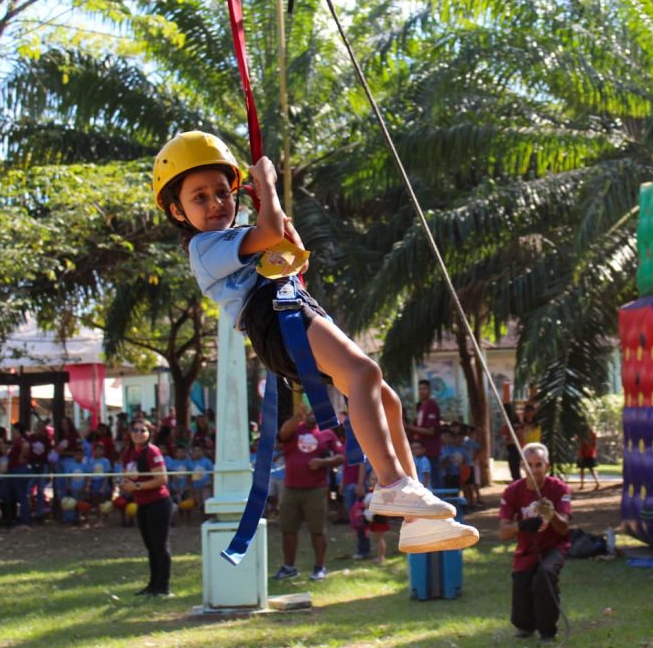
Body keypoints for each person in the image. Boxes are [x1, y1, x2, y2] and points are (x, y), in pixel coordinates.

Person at [152, 132, 476, 553]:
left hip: (290, 306)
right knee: (364, 373)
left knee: (387, 399)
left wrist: (273, 211)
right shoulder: (205, 246)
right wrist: (267, 183)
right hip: (274, 316)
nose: (215, 203)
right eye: (199, 197)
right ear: (178, 210)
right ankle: (392, 482)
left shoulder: (238, 236)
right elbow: (270, 231)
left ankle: (414, 518)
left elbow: (291, 249)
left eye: (221, 191)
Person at [498, 442, 571, 642]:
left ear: (546, 465)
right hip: (527, 549)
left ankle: (547, 631)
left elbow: (564, 528)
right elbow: (503, 532)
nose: (534, 470)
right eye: (529, 465)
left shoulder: (559, 488)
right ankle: (525, 626)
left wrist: (552, 513)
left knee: (544, 577)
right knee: (522, 592)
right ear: (522, 466)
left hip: (554, 547)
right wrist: (521, 526)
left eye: (538, 464)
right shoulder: (512, 491)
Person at [273, 404, 345, 582]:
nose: (313, 415)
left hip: (316, 489)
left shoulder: (327, 433)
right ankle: (289, 567)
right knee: (288, 529)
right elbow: (282, 435)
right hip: (291, 488)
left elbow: (341, 457)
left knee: (318, 529)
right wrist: (297, 417)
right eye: (310, 412)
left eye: (316, 412)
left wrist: (323, 462)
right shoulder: (295, 429)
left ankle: (320, 567)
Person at [120, 419, 173, 597]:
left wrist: (138, 487)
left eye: (143, 430)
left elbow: (161, 479)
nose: (138, 433)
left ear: (149, 433)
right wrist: (125, 485)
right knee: (150, 546)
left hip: (158, 503)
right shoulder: (128, 452)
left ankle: (163, 588)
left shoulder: (152, 451)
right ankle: (153, 586)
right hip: (141, 504)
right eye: (135, 430)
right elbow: (127, 475)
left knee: (160, 545)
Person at [408, 380, 443, 486]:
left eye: (425, 389)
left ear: (429, 390)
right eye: (420, 389)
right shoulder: (420, 406)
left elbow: (431, 431)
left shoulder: (431, 405)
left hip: (430, 450)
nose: (422, 391)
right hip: (420, 451)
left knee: (433, 480)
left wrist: (409, 427)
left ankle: (439, 500)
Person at [501, 403, 524, 481]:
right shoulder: (507, 422)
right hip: (510, 446)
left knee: (515, 465)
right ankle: (515, 480)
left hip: (515, 446)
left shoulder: (515, 422)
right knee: (512, 466)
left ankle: (517, 480)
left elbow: (520, 434)